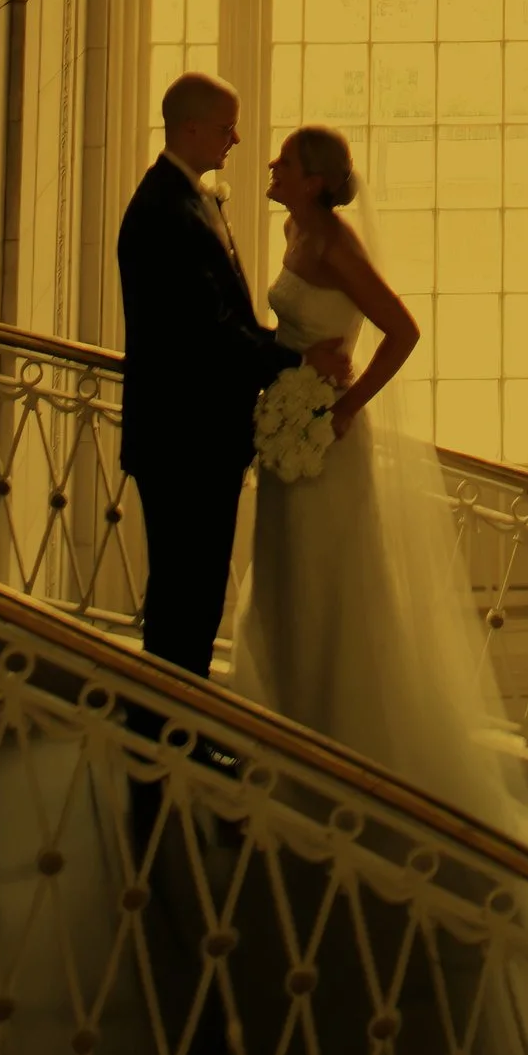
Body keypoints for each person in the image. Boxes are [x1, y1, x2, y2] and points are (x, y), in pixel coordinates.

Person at [229, 122, 528, 834]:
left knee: (328, 585)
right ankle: (288, 738)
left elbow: (402, 329)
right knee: (283, 578)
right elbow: (293, 333)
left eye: (286, 161)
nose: (271, 166)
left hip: (326, 440)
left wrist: (344, 406)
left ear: (315, 181)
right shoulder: (292, 238)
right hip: (286, 428)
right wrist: (290, 377)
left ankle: (337, 756)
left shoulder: (336, 246)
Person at [114, 70, 347, 689]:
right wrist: (298, 362)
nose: (237, 138)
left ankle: (176, 728)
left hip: (193, 440)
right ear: (190, 127)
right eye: (226, 126)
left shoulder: (188, 197)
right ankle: (168, 740)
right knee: (183, 605)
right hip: (184, 443)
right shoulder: (169, 211)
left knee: (193, 598)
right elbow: (210, 332)